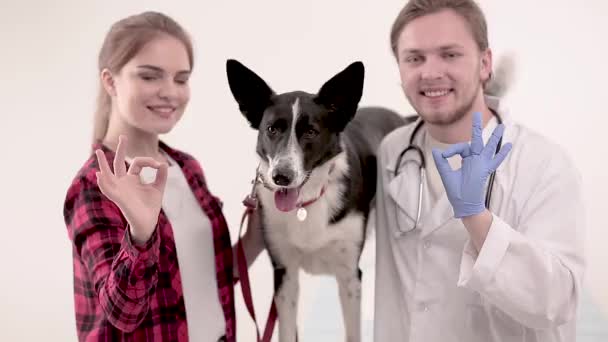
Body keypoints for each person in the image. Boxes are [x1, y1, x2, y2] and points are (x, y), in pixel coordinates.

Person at [373, 0, 586, 341]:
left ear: (485, 64)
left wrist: (476, 219)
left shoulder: (544, 165)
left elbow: (557, 303)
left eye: (450, 54)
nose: (430, 72)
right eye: (414, 58)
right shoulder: (393, 151)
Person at [63, 11, 264, 342]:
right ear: (110, 81)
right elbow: (123, 313)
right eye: (150, 76)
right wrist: (141, 236)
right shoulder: (94, 186)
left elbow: (211, 275)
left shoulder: (187, 168)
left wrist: (258, 235)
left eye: (181, 79)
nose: (170, 92)